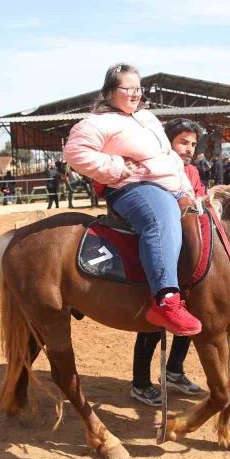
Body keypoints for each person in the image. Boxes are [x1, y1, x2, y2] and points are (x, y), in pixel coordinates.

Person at [64, 63, 202, 336]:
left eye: (139, 88)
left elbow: (169, 158)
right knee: (161, 218)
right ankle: (166, 299)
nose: (136, 93)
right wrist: (114, 167)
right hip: (134, 187)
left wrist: (186, 189)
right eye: (129, 88)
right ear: (110, 91)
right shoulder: (95, 123)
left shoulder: (147, 118)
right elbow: (74, 152)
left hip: (169, 184)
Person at [131, 118, 206, 406]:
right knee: (153, 319)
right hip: (157, 251)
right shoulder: (155, 168)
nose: (188, 148)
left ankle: (174, 370)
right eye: (183, 142)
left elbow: (198, 202)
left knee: (188, 311)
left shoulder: (192, 172)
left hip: (186, 253)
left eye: (193, 144)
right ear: (168, 142)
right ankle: (139, 382)